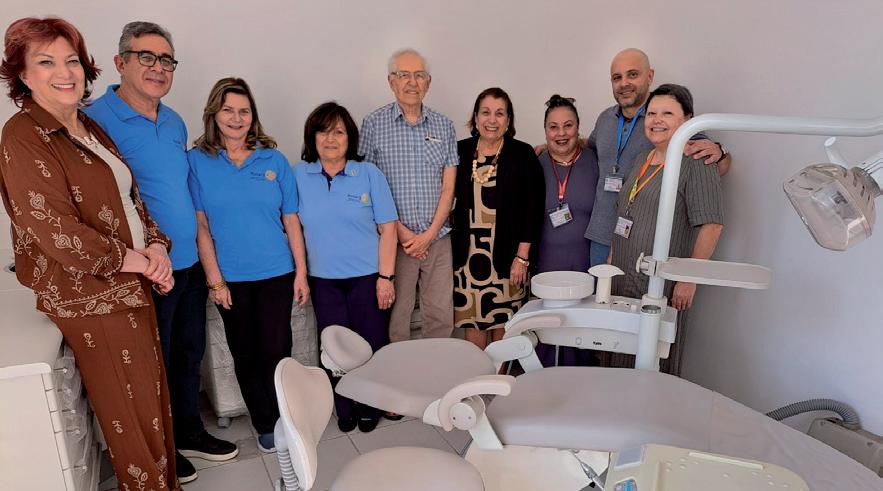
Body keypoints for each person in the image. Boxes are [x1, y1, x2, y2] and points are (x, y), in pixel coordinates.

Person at [0, 17, 179, 490]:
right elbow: (55, 230)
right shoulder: (22, 135)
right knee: (130, 418)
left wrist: (156, 246)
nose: (65, 72)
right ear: (22, 73)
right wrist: (141, 262)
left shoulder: (87, 126)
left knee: (150, 407)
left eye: (72, 60)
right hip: (91, 300)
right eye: (46, 62)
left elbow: (131, 200)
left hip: (129, 286)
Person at [84, 21, 236, 482]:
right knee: (154, 365)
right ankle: (164, 448)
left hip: (187, 263)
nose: (158, 68)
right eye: (146, 57)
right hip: (146, 270)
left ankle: (189, 432)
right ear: (120, 63)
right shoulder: (95, 121)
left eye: (166, 60)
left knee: (188, 355)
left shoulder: (173, 121)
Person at [187, 77, 309, 453]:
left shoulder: (273, 160)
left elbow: (291, 220)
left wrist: (301, 273)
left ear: (253, 116)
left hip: (277, 273)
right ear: (214, 114)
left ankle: (286, 418)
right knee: (245, 353)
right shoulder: (197, 161)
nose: (236, 118)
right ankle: (265, 424)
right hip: (231, 279)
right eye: (228, 110)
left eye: (244, 111)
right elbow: (200, 225)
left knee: (277, 350)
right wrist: (215, 281)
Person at [294, 102, 398, 433]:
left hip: (367, 278)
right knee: (334, 350)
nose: (330, 139)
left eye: (338, 131)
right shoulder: (299, 175)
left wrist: (386, 277)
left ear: (350, 138)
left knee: (370, 345)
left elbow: (389, 229)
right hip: (323, 281)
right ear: (312, 137)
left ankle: (369, 406)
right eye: (323, 131)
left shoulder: (368, 174)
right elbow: (290, 223)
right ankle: (344, 407)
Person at [607, 83, 724, 376]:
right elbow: (625, 213)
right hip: (622, 277)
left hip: (661, 284)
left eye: (667, 113)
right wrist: (610, 263)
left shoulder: (697, 161)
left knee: (652, 359)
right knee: (619, 355)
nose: (656, 120)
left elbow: (712, 225)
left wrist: (689, 279)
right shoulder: (641, 159)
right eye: (651, 113)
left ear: (687, 120)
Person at [583, 48, 730, 268]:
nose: (624, 83)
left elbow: (712, 161)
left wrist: (721, 153)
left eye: (633, 74)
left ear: (650, 76)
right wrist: (550, 146)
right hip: (601, 236)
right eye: (617, 77)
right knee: (600, 291)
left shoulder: (664, 121)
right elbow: (589, 146)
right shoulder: (605, 118)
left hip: (645, 242)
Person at [359, 48, 458, 345]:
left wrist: (428, 235)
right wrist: (403, 235)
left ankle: (436, 370)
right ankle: (400, 372)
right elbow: (366, 187)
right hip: (393, 240)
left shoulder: (444, 125)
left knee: (440, 315)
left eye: (419, 75)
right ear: (391, 81)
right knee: (396, 317)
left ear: (428, 82)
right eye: (404, 75)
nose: (412, 82)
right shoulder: (373, 124)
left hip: (437, 237)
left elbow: (448, 188)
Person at [451, 87, 545, 349]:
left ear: (508, 120)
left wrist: (522, 258)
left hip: (508, 260)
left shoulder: (522, 154)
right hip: (467, 261)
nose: (492, 120)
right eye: (486, 112)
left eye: (499, 113)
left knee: (504, 328)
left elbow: (533, 210)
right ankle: (477, 376)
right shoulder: (459, 151)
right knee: (472, 324)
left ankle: (500, 377)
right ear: (475, 117)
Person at [535, 95, 600, 366]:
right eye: (554, 127)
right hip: (545, 263)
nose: (561, 133)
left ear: (578, 127)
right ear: (545, 130)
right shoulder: (534, 162)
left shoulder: (596, 161)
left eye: (568, 125)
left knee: (581, 332)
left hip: (585, 263)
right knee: (548, 331)